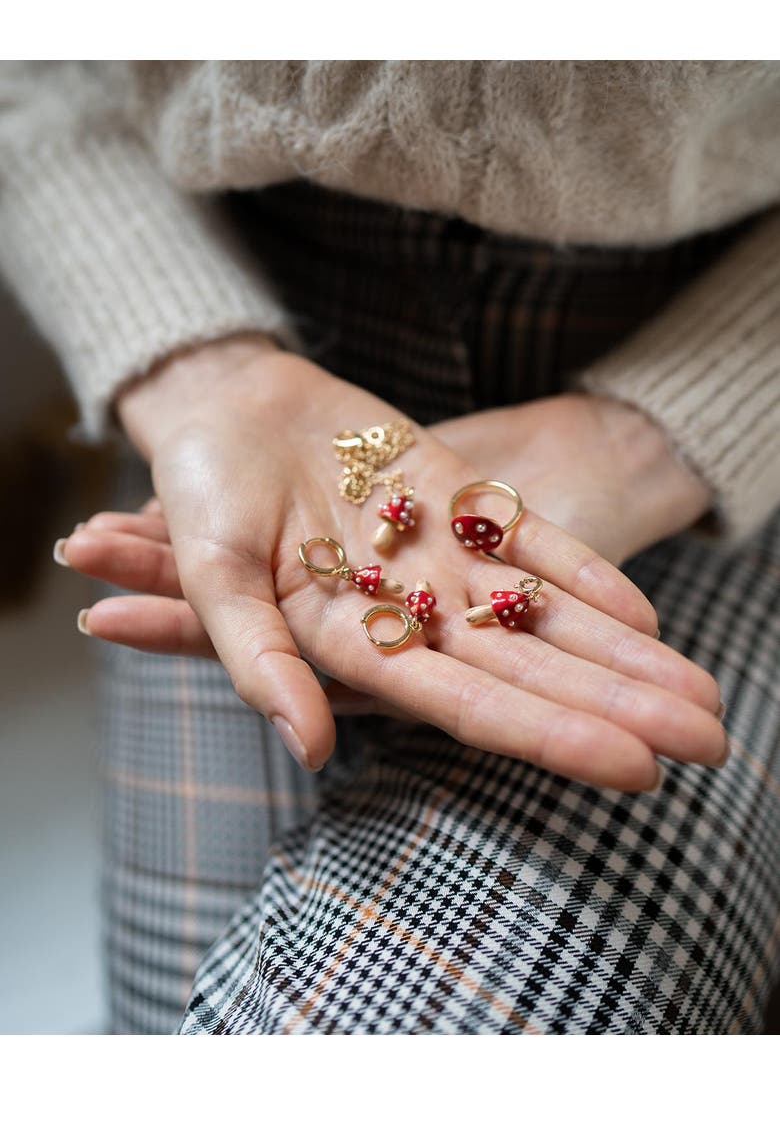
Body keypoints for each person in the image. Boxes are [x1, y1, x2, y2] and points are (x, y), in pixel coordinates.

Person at [2, 61, 779, 1034]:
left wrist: (657, 438)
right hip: (245, 352)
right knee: (171, 1027)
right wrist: (198, 377)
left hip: (715, 377)